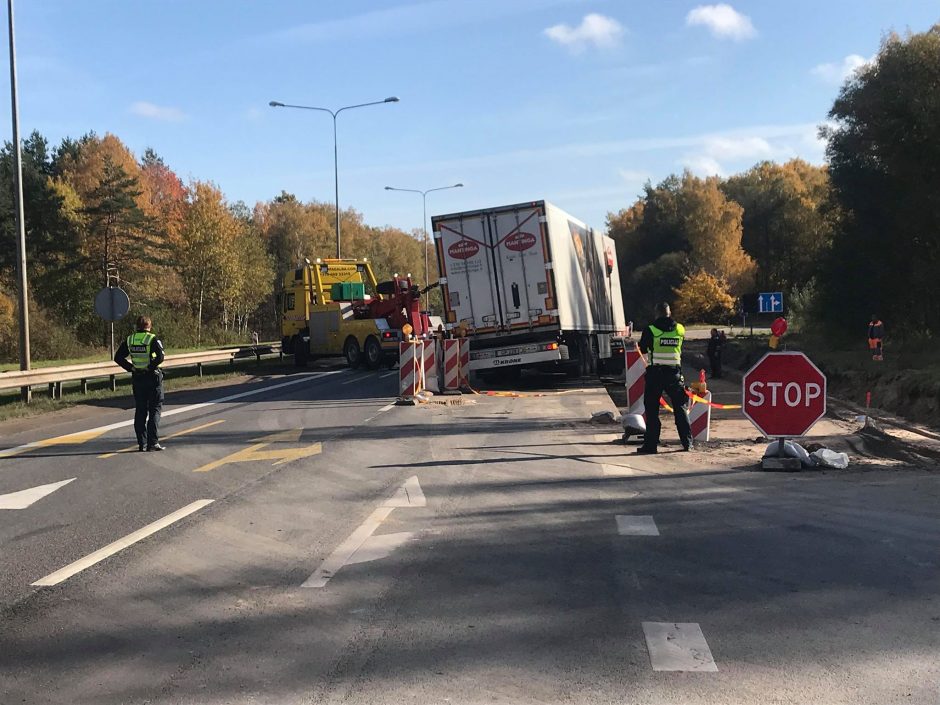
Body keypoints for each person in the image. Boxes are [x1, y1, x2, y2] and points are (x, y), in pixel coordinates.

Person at [635, 302, 693, 454]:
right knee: (680, 408)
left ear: (657, 313)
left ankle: (651, 445)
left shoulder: (651, 330)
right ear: (669, 312)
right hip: (674, 374)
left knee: (652, 410)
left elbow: (643, 348)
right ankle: (687, 443)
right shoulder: (680, 329)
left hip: (655, 374)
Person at [114, 315, 165, 451]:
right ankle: (152, 442)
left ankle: (141, 443)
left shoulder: (130, 339)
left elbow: (118, 357)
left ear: (137, 326)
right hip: (152, 378)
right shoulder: (152, 339)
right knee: (155, 409)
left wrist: (130, 367)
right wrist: (150, 366)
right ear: (149, 326)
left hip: (138, 378)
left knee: (141, 410)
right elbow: (160, 357)